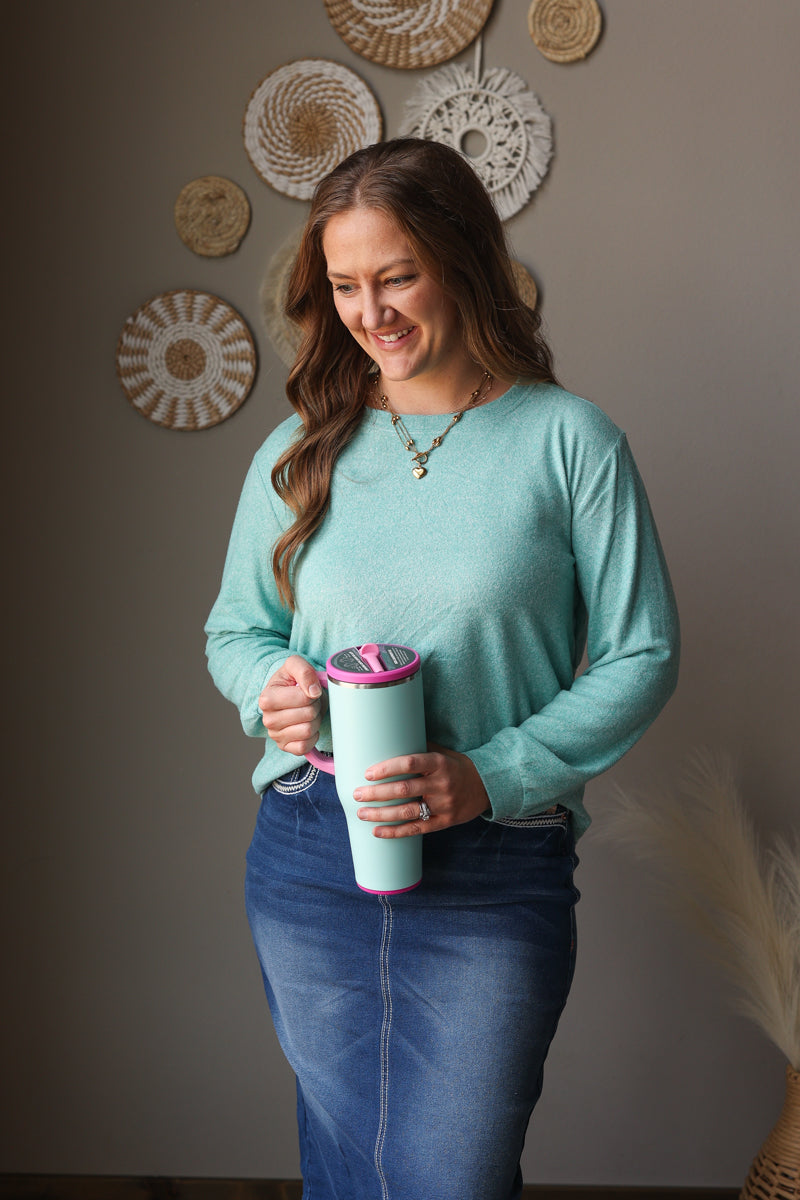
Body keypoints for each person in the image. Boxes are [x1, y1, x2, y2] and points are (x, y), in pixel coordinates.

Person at [205, 137, 679, 1200]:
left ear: (463, 261)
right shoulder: (299, 449)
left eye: (395, 276)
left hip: (492, 865)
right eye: (342, 286)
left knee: (451, 1179)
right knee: (341, 1170)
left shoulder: (569, 443)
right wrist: (266, 690)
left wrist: (491, 775)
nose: (368, 312)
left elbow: (641, 651)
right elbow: (237, 631)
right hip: (310, 853)